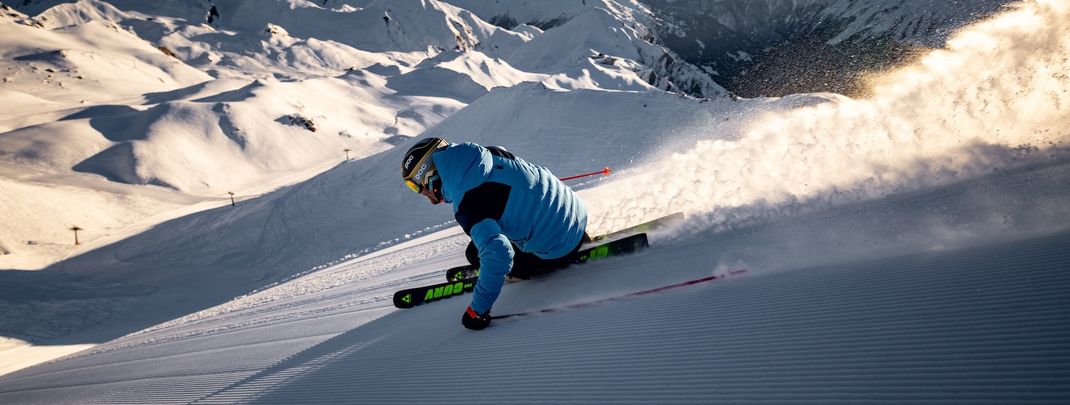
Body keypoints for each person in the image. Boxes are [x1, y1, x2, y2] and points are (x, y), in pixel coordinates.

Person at [401, 137, 589, 330]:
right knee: (491, 234)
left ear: (430, 175)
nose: (422, 194)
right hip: (577, 215)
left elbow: (500, 254)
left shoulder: (468, 205)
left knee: (475, 253)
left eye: (416, 186)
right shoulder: (489, 153)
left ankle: (506, 275)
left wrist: (477, 311)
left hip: (557, 249)